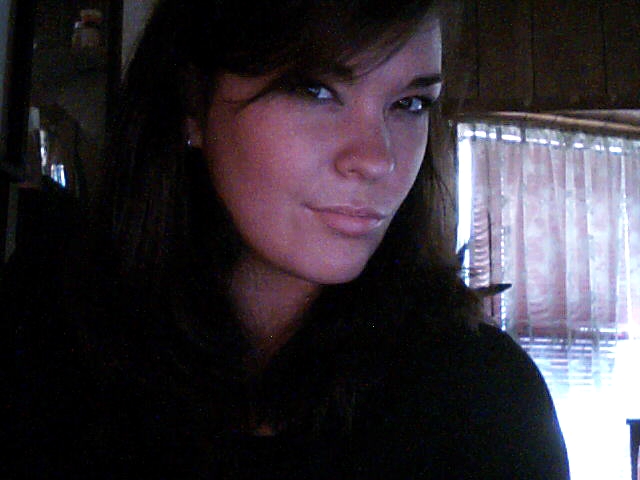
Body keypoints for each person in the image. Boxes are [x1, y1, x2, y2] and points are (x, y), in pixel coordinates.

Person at [4, 0, 570, 478]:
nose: (376, 158)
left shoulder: (479, 400)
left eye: (409, 104)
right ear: (192, 104)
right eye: (314, 90)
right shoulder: (45, 345)